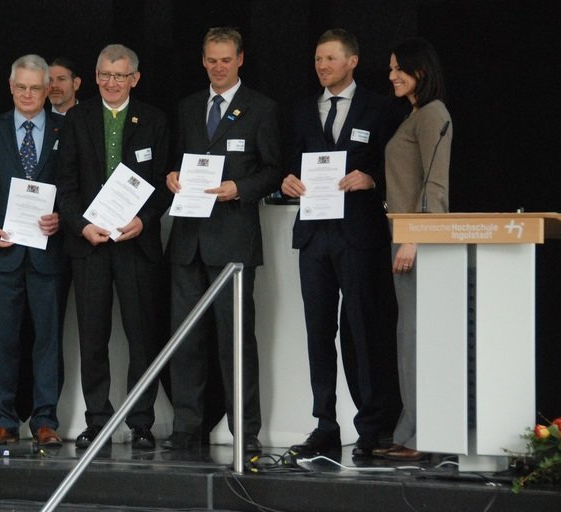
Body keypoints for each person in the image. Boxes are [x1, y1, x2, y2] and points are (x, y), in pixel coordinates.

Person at [281, 29, 399, 459]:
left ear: (352, 61)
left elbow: (398, 168)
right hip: (314, 234)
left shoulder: (380, 108)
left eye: (330, 58)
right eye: (317, 59)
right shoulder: (301, 109)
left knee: (363, 330)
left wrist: (372, 180)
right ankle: (325, 424)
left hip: (358, 234)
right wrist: (287, 181)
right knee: (318, 332)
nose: (322, 66)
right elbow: (290, 163)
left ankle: (372, 427)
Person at [164, 27, 282, 454]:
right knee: (186, 341)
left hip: (232, 241)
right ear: (203, 60)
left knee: (236, 344)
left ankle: (245, 434)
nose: (218, 66)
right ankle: (186, 428)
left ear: (240, 60)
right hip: (187, 242)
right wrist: (172, 176)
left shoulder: (261, 108)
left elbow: (272, 170)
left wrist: (240, 188)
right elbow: (177, 162)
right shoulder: (189, 107)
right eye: (211, 59)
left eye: (226, 59)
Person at [56, 44, 170, 450]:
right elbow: (64, 186)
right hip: (91, 245)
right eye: (104, 75)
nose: (111, 83)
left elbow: (163, 186)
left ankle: (141, 422)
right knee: (92, 337)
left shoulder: (154, 120)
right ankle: (98, 419)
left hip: (136, 244)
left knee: (142, 336)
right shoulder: (77, 119)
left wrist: (146, 220)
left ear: (134, 79)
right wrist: (82, 225)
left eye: (119, 76)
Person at [0, 55, 66, 447]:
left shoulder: (66, 128)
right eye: (21, 86)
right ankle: (3, 420)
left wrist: (61, 217)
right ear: (11, 87)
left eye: (35, 87)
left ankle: (45, 420)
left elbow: (75, 186)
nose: (27, 94)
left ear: (47, 90)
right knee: (1, 339)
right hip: (2, 254)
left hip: (48, 253)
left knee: (48, 341)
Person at [374, 37, 452, 462]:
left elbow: (434, 185)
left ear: (420, 70)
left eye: (397, 68)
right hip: (404, 237)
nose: (391, 76)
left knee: (415, 337)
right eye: (389, 69)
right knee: (408, 337)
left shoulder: (433, 114)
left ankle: (423, 434)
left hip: (416, 241)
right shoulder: (416, 115)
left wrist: (415, 236)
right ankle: (410, 431)